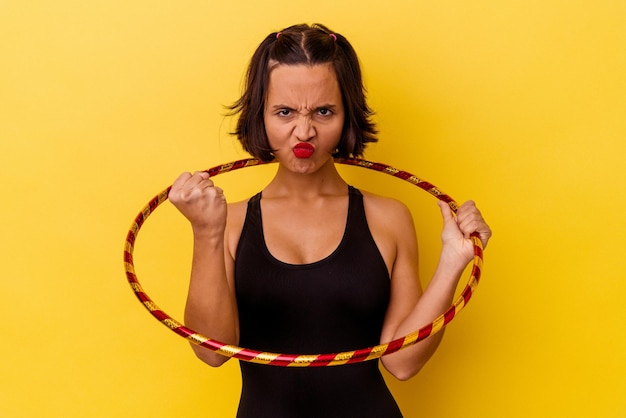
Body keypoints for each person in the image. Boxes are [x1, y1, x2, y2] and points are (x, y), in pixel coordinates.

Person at [169, 23, 492, 418]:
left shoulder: (387, 218)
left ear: (346, 114)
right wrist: (205, 231)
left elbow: (403, 363)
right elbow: (210, 351)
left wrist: (453, 261)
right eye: (284, 112)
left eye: (324, 111)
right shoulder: (227, 221)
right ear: (261, 115)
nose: (304, 132)